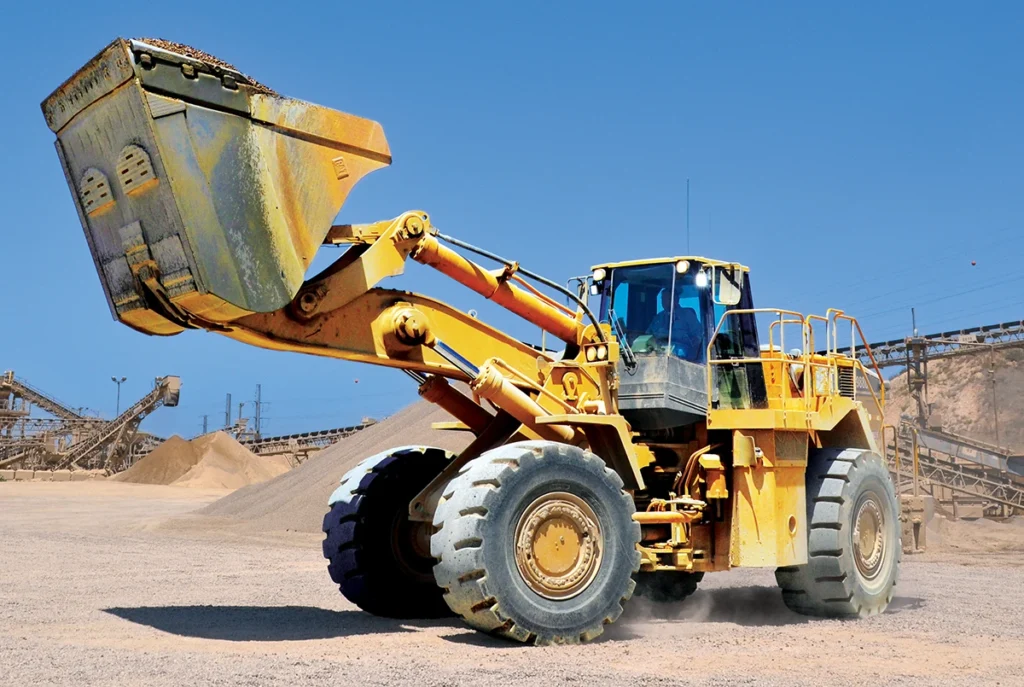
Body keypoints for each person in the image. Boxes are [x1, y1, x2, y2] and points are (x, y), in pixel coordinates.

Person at [646, 288, 703, 361]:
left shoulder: (688, 315)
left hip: (684, 360)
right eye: (663, 298)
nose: (664, 301)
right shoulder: (658, 318)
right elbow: (648, 336)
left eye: (668, 298)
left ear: (676, 299)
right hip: (659, 357)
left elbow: (699, 336)